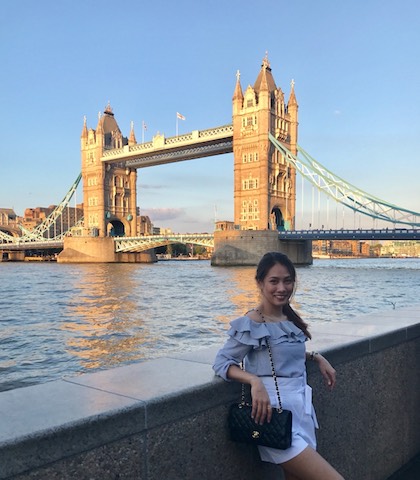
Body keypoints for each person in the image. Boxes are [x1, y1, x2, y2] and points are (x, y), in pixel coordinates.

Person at [213, 252, 345, 480]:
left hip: (301, 411)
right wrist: (254, 381)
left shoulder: (289, 319)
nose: (282, 288)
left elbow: (283, 353)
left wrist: (316, 357)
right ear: (260, 283)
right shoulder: (253, 321)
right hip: (272, 414)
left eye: (287, 281)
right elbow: (222, 362)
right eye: (274, 281)